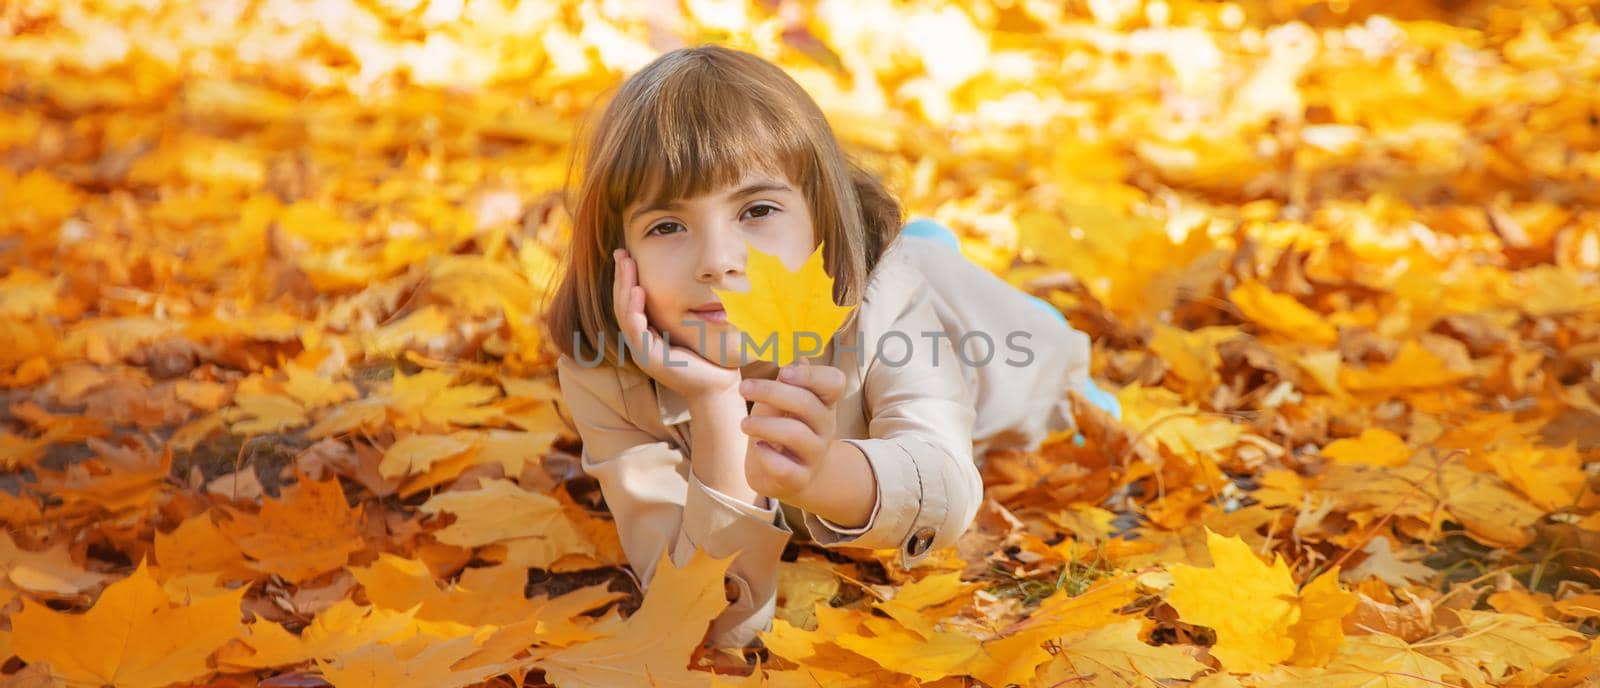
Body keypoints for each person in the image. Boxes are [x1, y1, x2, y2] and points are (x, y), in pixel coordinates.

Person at [540, 45, 1121, 651]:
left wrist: (822, 475)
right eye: (667, 226)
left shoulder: (887, 297)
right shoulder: (604, 376)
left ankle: (951, 265)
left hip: (986, 348)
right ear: (618, 254)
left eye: (757, 209)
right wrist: (715, 408)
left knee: (1037, 364)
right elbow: (706, 622)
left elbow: (946, 492)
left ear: (821, 217)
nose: (716, 261)